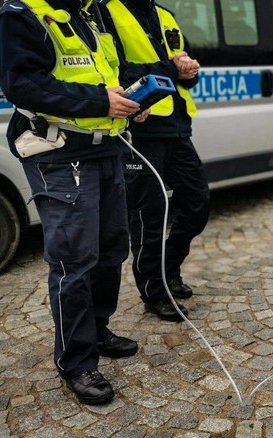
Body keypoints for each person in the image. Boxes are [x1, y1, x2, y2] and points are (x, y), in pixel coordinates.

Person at [0, 0, 144, 405]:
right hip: (58, 152)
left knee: (111, 248)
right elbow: (21, 83)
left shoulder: (90, 12)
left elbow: (111, 72)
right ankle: (76, 361)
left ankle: (97, 329)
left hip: (105, 147)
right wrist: (99, 102)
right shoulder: (22, 15)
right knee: (74, 261)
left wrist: (130, 99)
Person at [99, 0, 210, 322]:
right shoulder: (106, 11)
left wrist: (188, 71)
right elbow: (114, 72)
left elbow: (179, 73)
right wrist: (170, 69)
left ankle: (169, 269)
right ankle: (155, 292)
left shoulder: (164, 14)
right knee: (149, 217)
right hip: (140, 130)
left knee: (197, 203)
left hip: (176, 126)